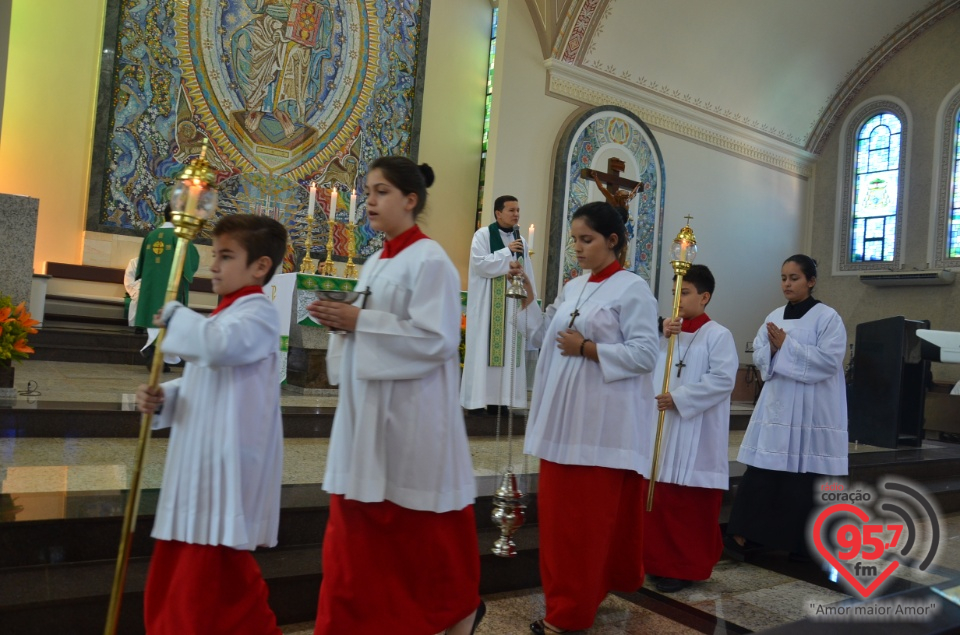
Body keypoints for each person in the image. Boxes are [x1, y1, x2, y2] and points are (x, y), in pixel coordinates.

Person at [306, 157, 484, 635]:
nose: (369, 200)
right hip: (368, 412)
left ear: (410, 200)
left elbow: (438, 339)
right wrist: (341, 316)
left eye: (381, 191)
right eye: (367, 191)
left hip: (410, 415)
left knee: (407, 529)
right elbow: (374, 324)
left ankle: (444, 612)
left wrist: (359, 321)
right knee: (360, 532)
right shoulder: (377, 260)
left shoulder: (430, 260)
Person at [135, 214, 288, 634]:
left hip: (226, 466)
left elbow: (220, 350)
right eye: (213, 255)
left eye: (225, 256)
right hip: (202, 460)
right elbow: (209, 377)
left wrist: (177, 317)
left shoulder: (258, 315)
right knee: (186, 571)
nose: (213, 266)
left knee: (211, 586)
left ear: (259, 266)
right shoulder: (225, 314)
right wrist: (168, 395)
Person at [519, 201, 659, 634]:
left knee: (582, 529)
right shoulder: (573, 285)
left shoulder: (632, 288)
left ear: (612, 241)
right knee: (562, 526)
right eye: (575, 239)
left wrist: (589, 349)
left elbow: (645, 353)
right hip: (562, 423)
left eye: (587, 239)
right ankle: (579, 598)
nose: (577, 248)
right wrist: (526, 297)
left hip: (601, 428)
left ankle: (568, 616)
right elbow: (545, 337)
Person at [727, 254, 848, 560]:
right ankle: (749, 535)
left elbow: (829, 360)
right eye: (783, 278)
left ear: (811, 281)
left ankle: (801, 544)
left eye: (794, 278)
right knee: (765, 469)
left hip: (812, 408)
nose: (787, 284)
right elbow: (760, 354)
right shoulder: (775, 316)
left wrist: (787, 346)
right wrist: (771, 347)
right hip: (779, 404)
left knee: (802, 477)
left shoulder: (827, 317)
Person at [640, 264, 738, 593]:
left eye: (684, 292)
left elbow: (723, 380)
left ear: (705, 297)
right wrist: (659, 334)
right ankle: (655, 562)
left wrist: (680, 398)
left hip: (696, 434)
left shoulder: (718, 335)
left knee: (687, 507)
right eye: (673, 293)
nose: (677, 300)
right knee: (659, 501)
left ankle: (684, 567)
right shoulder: (667, 333)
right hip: (663, 431)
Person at [460, 195, 538, 415]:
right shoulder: (483, 235)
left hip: (511, 305)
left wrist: (529, 299)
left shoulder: (521, 240)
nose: (516, 214)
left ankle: (501, 401)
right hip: (488, 308)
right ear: (498, 213)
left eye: (518, 210)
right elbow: (479, 264)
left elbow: (527, 271)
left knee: (508, 351)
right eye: (511, 210)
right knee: (484, 350)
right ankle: (477, 401)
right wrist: (506, 253)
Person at [135, 204, 200, 368]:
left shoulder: (151, 235)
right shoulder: (180, 236)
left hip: (151, 287)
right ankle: (154, 352)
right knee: (169, 318)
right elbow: (191, 261)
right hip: (171, 289)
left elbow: (141, 264)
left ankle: (158, 357)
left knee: (155, 318)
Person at [123, 256, 141, 330]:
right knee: (140, 297)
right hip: (138, 290)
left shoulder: (161, 263)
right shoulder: (134, 262)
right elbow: (129, 282)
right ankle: (138, 326)